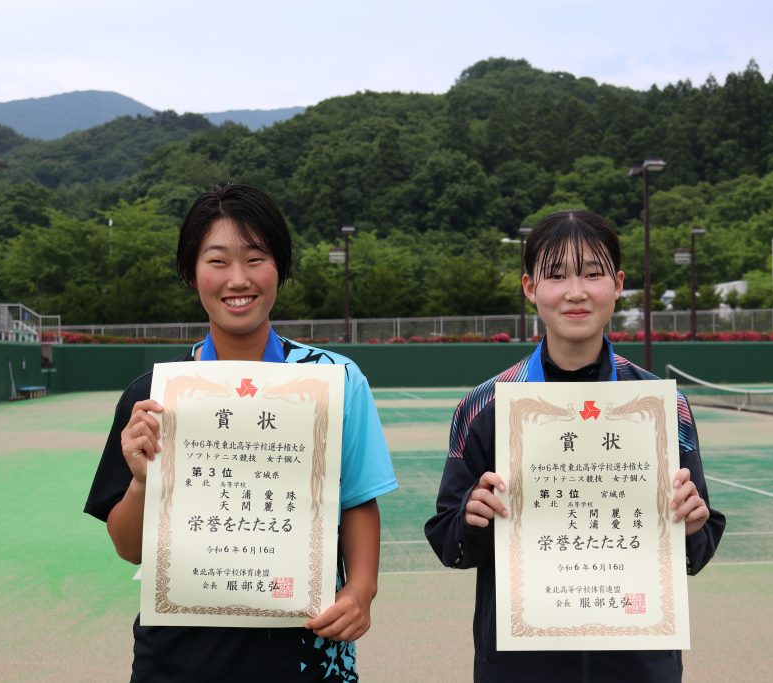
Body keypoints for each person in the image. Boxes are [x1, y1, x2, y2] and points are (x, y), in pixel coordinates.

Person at [85, 184, 398, 682]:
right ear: (191, 272)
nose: (238, 279)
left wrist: (361, 591)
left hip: (307, 652)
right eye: (217, 261)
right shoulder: (153, 395)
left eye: (256, 258)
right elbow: (130, 548)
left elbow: (358, 500)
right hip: (178, 658)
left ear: (280, 267)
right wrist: (144, 481)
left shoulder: (334, 380)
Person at [424, 209, 725, 682]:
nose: (576, 291)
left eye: (593, 274)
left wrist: (691, 524)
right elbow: (448, 541)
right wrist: (471, 515)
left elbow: (699, 547)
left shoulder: (664, 408)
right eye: (557, 275)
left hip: (639, 666)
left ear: (618, 283)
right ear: (530, 288)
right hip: (520, 667)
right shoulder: (485, 406)